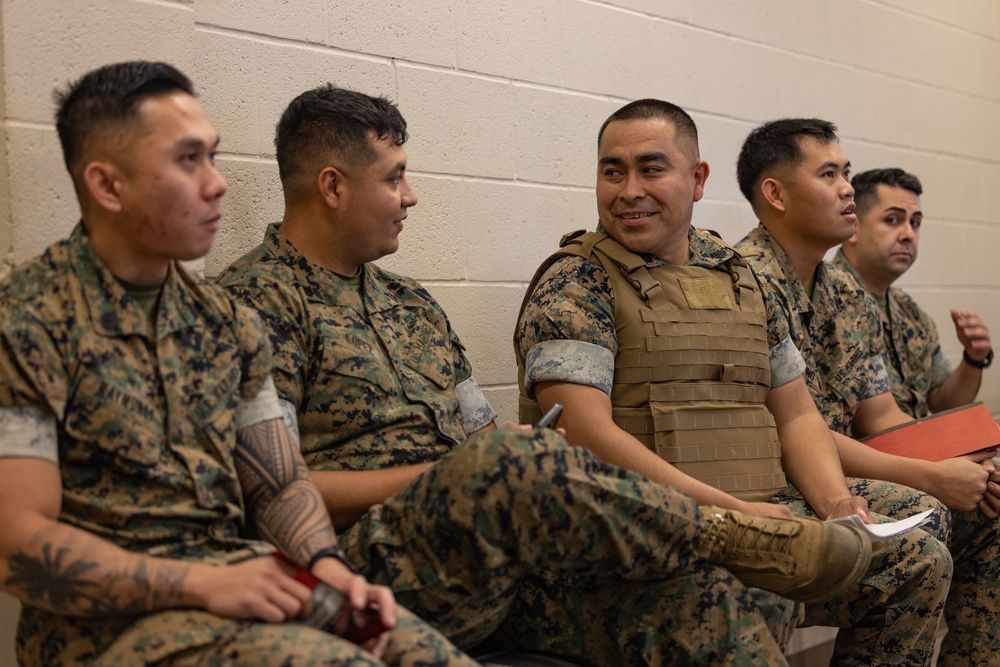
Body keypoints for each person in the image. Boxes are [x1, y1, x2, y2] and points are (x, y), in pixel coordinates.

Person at [219, 84, 873, 667]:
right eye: (395, 179)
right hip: (376, 565)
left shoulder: (410, 302)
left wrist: (522, 453)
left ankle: (724, 546)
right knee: (510, 454)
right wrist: (457, 471)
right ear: (333, 187)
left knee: (700, 605)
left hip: (501, 551)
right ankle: (729, 531)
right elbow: (265, 490)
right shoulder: (253, 305)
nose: (410, 196)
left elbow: (485, 436)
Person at [0, 61, 479, 667]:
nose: (217, 183)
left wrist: (330, 570)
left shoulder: (226, 322)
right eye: (187, 160)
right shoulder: (30, 321)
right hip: (108, 631)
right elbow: (14, 544)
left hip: (236, 588)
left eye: (213, 157)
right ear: (108, 186)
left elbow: (277, 485)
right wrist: (201, 584)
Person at [514, 98, 953, 666]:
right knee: (733, 596)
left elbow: (795, 413)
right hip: (641, 531)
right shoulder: (577, 283)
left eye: (651, 169)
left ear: (697, 180)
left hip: (755, 512)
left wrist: (836, 503)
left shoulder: (737, 276)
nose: (628, 191)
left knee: (916, 563)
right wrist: (731, 517)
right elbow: (585, 435)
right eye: (611, 171)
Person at [734, 118, 1000, 666]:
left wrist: (964, 460)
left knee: (993, 506)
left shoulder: (845, 294)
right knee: (927, 530)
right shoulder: (741, 284)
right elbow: (790, 429)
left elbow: (881, 417)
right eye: (829, 173)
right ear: (775, 194)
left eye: (846, 173)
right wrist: (932, 475)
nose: (847, 187)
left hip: (843, 469)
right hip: (776, 480)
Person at [832, 167, 993, 418]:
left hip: (913, 446)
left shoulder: (910, 313)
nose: (909, 234)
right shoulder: (826, 299)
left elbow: (943, 403)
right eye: (893, 220)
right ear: (854, 227)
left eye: (915, 223)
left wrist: (974, 358)